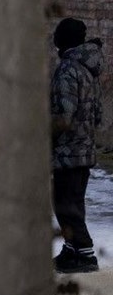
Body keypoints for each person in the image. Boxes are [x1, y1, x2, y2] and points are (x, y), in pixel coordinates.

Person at [50, 17, 102, 273]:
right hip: (84, 149)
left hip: (68, 152)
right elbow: (98, 115)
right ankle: (71, 250)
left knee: (65, 205)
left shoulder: (68, 69)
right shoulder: (89, 70)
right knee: (72, 202)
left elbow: (63, 116)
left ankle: (85, 254)